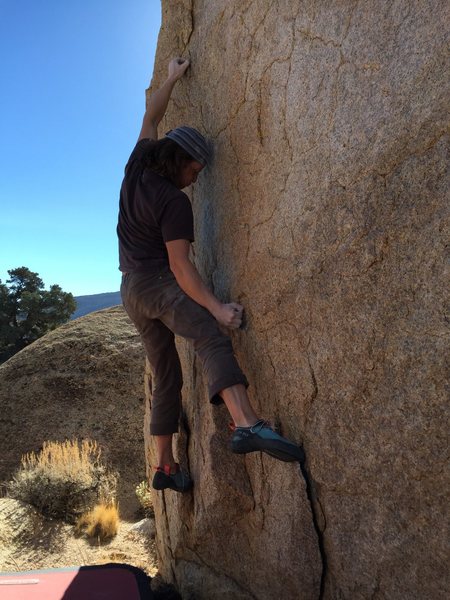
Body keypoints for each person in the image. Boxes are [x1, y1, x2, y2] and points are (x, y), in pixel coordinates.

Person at [117, 57, 304, 493]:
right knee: (209, 333)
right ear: (180, 161)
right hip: (158, 284)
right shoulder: (172, 202)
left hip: (130, 291)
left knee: (167, 376)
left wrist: (170, 78)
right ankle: (247, 424)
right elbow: (181, 269)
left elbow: (151, 115)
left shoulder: (138, 164)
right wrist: (217, 307)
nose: (195, 180)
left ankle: (164, 467)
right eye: (195, 171)